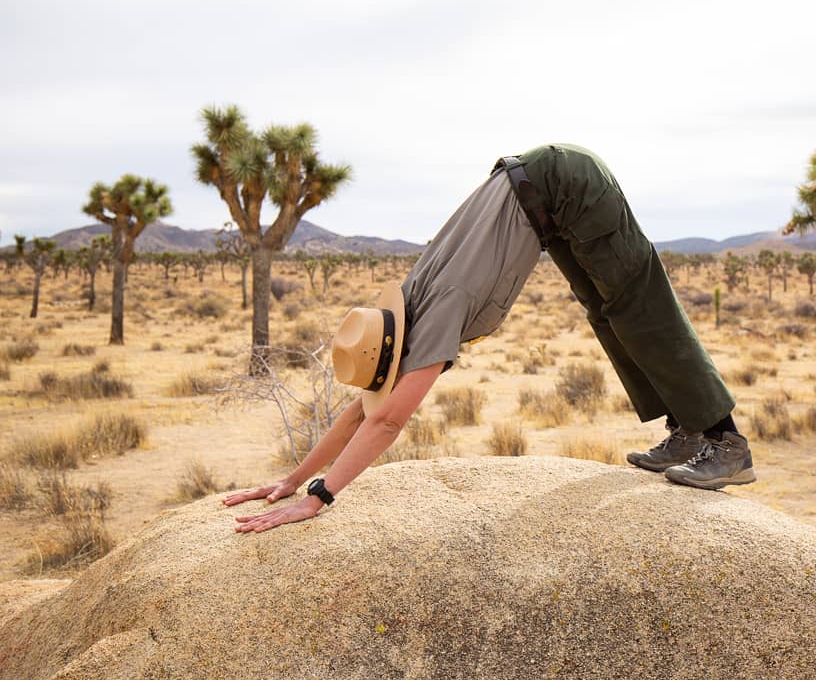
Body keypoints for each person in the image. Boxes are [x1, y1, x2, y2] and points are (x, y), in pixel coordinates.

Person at [225, 145, 755, 533]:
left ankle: (726, 442)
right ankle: (686, 431)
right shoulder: (401, 316)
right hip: (544, 196)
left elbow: (387, 421)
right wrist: (293, 479)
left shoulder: (438, 311)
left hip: (567, 184)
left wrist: (318, 498)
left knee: (638, 305)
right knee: (606, 312)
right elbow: (365, 411)